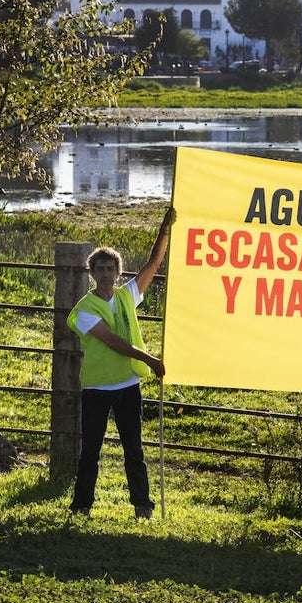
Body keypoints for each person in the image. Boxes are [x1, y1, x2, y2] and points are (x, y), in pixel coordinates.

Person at [68, 208, 173, 519]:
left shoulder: (128, 294)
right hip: (98, 387)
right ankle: (81, 507)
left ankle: (143, 508)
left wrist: (164, 230)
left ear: (118, 273)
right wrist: (150, 359)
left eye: (110, 268)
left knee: (134, 452)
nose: (105, 274)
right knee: (90, 453)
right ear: (92, 273)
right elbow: (113, 342)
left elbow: (154, 263)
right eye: (99, 269)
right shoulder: (85, 308)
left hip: (128, 386)